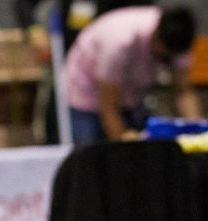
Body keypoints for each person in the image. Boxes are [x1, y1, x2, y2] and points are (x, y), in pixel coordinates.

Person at [63, 4, 200, 145]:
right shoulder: (119, 42)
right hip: (86, 93)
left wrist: (197, 132)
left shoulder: (179, 40)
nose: (168, 60)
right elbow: (109, 107)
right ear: (156, 37)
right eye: (165, 56)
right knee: (90, 153)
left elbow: (183, 91)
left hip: (128, 95)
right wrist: (126, 149)